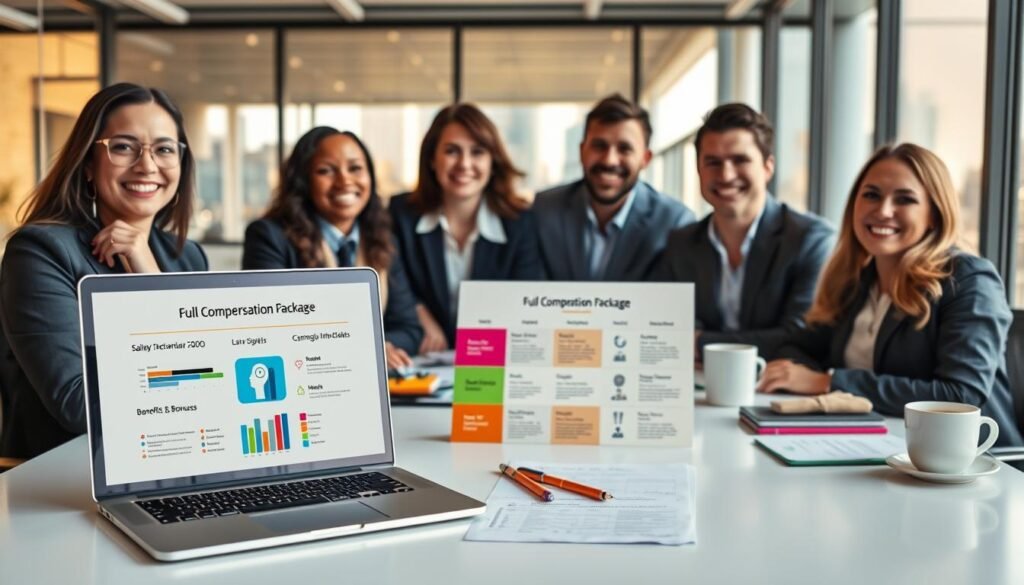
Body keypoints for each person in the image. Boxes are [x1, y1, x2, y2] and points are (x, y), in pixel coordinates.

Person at [758, 143, 1023, 447]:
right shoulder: (857, 281)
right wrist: (796, 372)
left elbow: (960, 396)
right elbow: (800, 345)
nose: (883, 211)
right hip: (878, 447)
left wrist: (828, 382)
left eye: (905, 199)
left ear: (934, 214)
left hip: (967, 462)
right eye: (871, 195)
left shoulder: (968, 279)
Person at [0, 83, 209, 459]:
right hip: (66, 479)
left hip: (175, 457)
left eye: (163, 149)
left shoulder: (186, 257)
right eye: (124, 147)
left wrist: (148, 270)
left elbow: (217, 384)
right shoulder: (39, 253)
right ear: (88, 167)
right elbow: (80, 406)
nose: (147, 165)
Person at [654, 103, 834, 360]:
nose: (726, 175)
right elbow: (664, 327)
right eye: (713, 162)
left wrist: (701, 343)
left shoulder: (811, 240)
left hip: (780, 393)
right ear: (698, 170)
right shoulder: (681, 243)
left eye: (740, 160)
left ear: (767, 167)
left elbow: (801, 335)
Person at [242, 127, 422, 367]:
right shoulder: (269, 237)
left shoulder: (383, 239)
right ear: (303, 181)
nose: (345, 181)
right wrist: (367, 348)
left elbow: (409, 329)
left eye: (355, 168)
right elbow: (268, 330)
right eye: (326, 171)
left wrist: (381, 346)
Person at [389, 103, 542, 354]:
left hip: (494, 364)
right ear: (431, 159)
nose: (464, 164)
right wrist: (419, 314)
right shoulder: (400, 215)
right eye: (452, 151)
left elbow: (523, 303)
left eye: (478, 152)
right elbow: (396, 283)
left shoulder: (520, 224)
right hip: (422, 361)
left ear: (493, 161)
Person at [534, 94, 695, 281]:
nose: (609, 160)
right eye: (599, 146)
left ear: (645, 159)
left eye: (624, 149)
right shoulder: (543, 211)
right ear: (581, 151)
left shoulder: (674, 223)